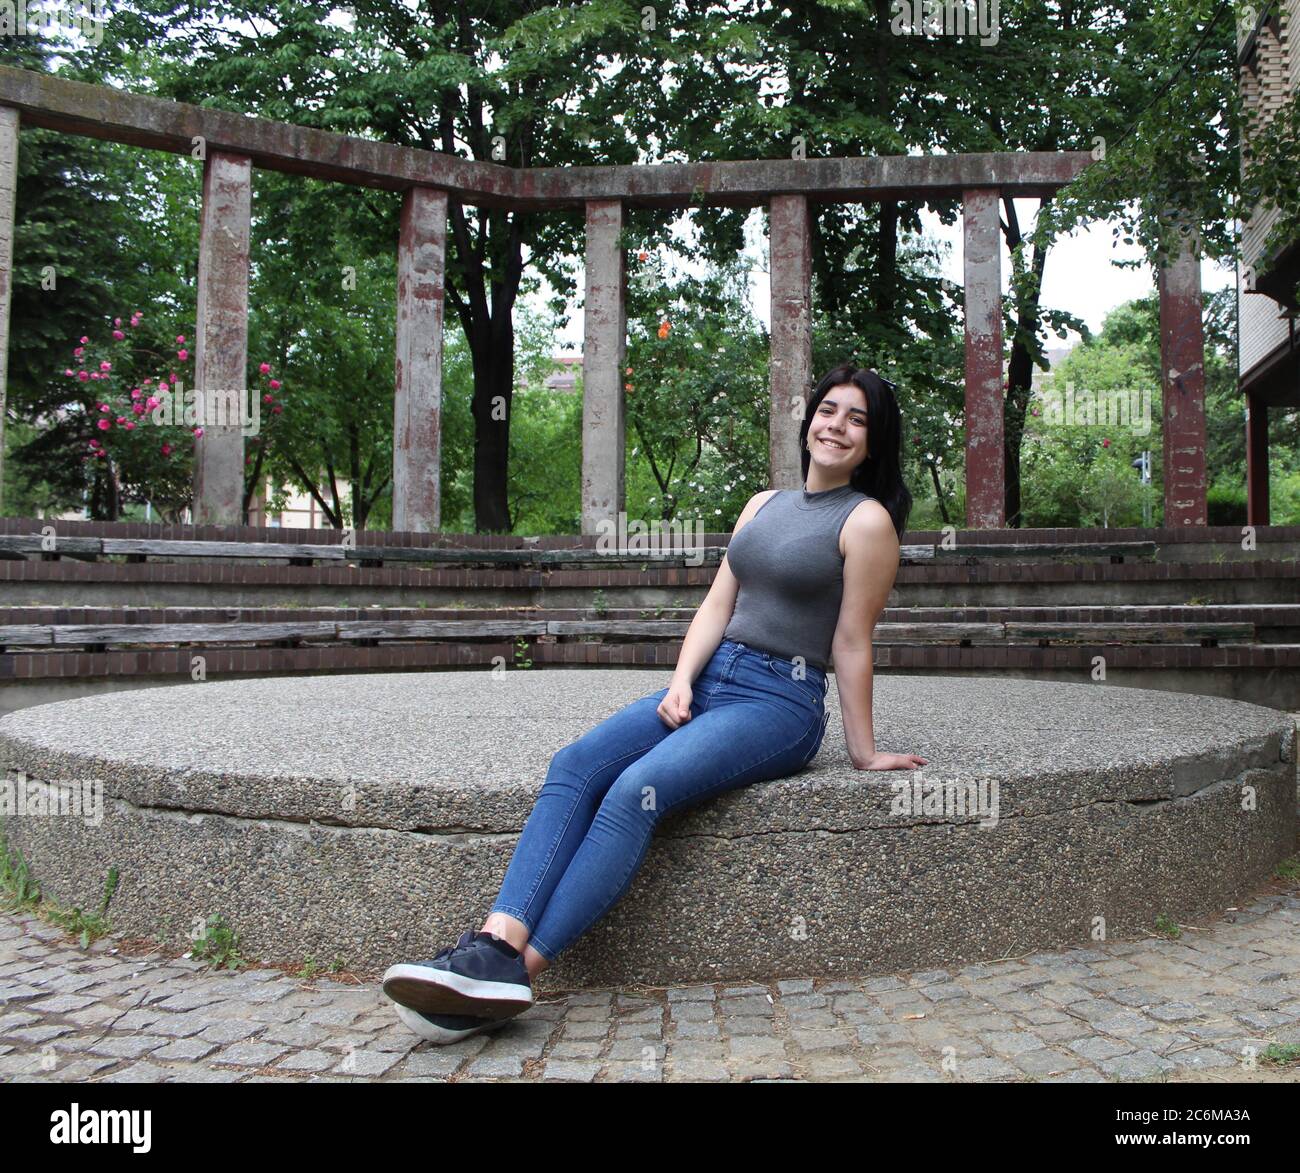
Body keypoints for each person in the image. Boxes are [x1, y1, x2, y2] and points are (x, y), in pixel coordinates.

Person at [382, 363, 928, 1044]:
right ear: (808, 418)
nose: (837, 426)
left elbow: (851, 640)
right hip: (711, 678)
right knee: (577, 762)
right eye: (828, 409)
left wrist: (864, 750)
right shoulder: (763, 505)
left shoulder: (867, 520)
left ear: (873, 443)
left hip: (779, 704)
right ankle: (494, 941)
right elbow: (717, 602)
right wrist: (680, 679)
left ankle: (515, 970)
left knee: (636, 788)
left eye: (857, 419)